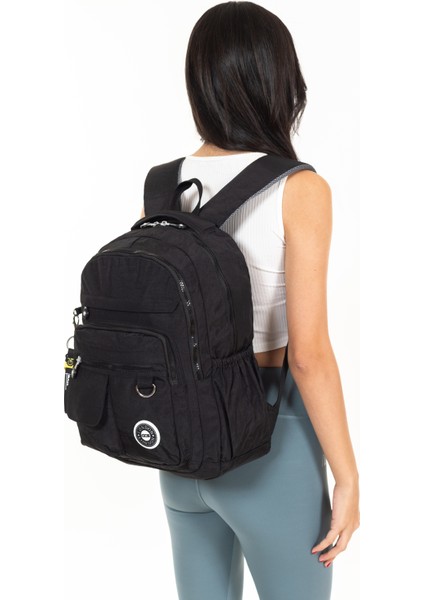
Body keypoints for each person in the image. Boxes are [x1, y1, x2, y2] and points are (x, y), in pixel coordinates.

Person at [140, 2, 360, 598]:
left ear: (200, 80)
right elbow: (308, 355)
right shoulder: (299, 188)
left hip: (179, 447)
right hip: (269, 444)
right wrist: (346, 477)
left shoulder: (163, 186)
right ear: (280, 81)